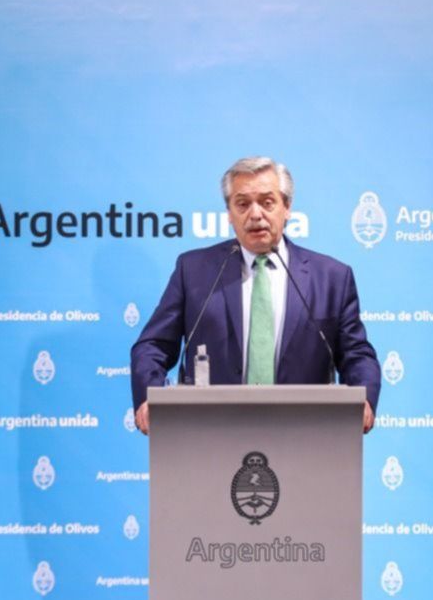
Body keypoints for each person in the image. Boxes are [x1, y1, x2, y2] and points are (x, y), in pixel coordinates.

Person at [129, 156, 380, 433]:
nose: (256, 214)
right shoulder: (194, 270)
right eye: (243, 204)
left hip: (304, 433)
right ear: (229, 213)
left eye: (267, 202)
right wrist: (149, 397)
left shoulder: (331, 277)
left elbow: (356, 354)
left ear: (287, 208)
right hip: (211, 433)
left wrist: (364, 398)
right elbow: (152, 346)